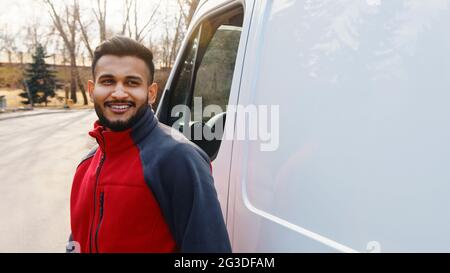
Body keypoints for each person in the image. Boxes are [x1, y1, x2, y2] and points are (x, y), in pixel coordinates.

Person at [67, 36, 231, 253]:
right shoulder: (86, 165)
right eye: (107, 81)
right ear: (91, 90)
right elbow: (76, 242)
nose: (118, 93)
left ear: (151, 92)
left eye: (131, 82)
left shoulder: (179, 159)